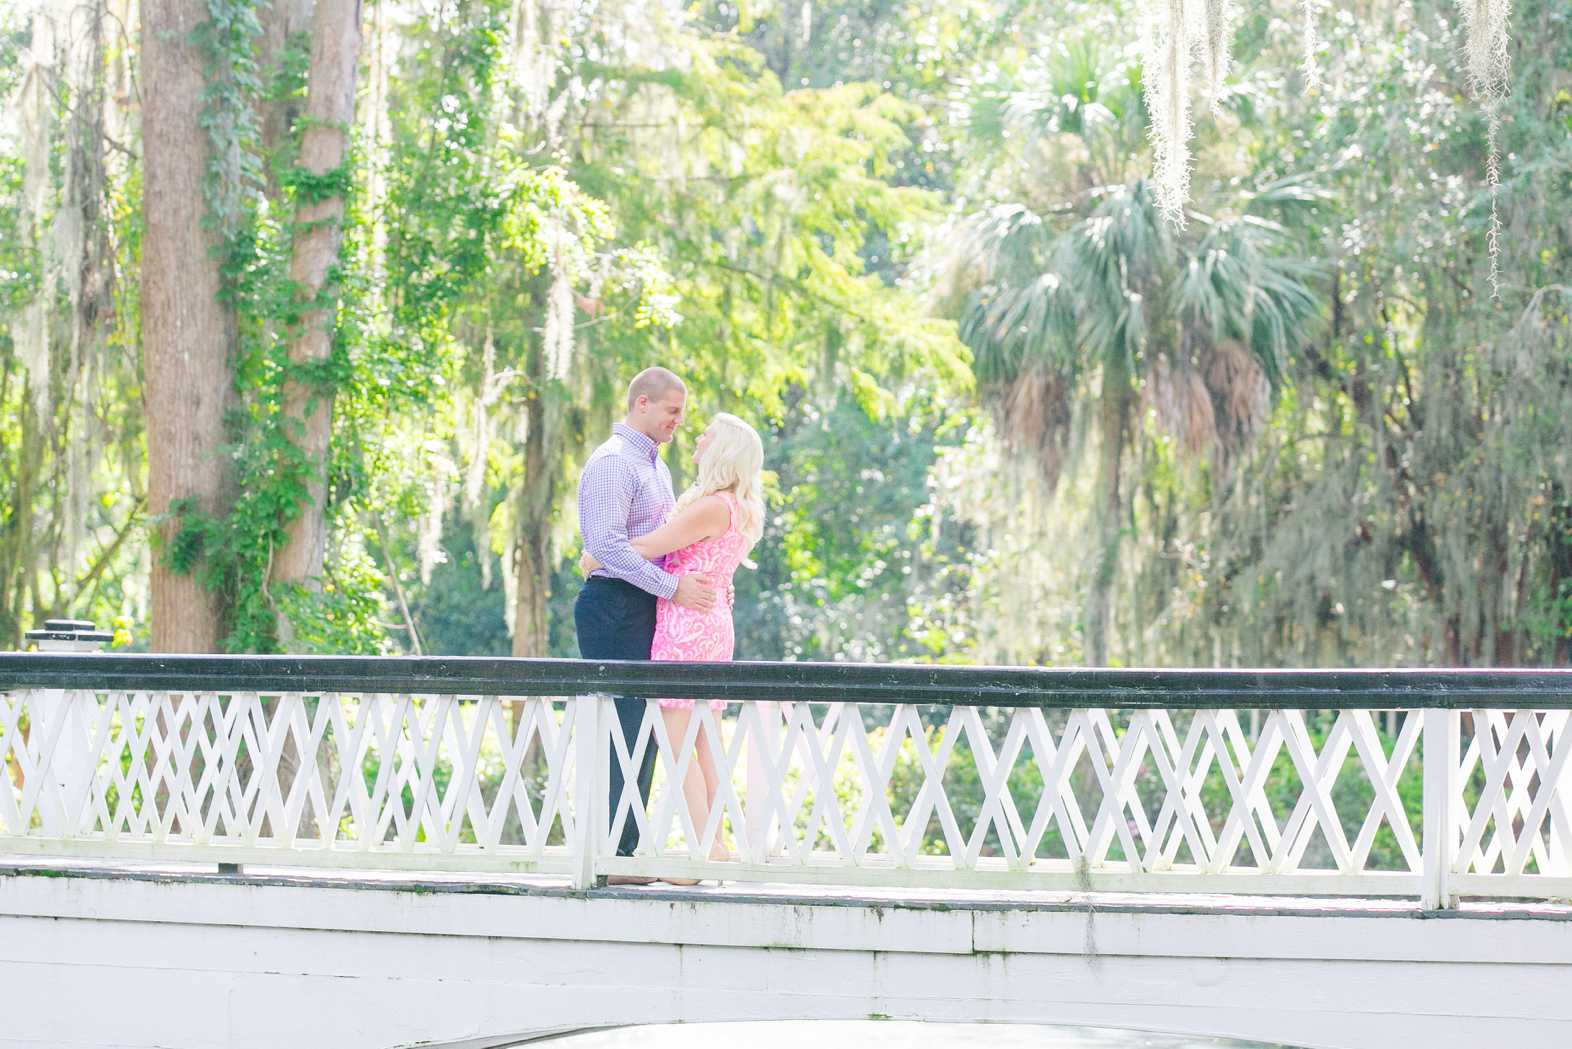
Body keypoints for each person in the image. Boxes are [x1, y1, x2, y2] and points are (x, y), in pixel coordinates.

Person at [582, 412, 764, 867]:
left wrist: (596, 555)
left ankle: (702, 852)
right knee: (706, 743)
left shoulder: (710, 506)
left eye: (707, 434)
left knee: (675, 742)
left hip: (686, 626)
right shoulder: (738, 508)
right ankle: (716, 845)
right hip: (714, 622)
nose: (696, 436)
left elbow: (650, 545)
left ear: (722, 451)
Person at [575, 367, 717, 885]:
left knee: (642, 733)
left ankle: (623, 853)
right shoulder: (614, 463)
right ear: (642, 403)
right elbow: (608, 545)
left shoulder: (655, 467)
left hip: (643, 605)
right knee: (624, 729)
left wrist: (707, 579)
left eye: (681, 412)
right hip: (613, 605)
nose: (679, 420)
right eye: (671, 411)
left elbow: (661, 542)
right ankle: (615, 859)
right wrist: (675, 589)